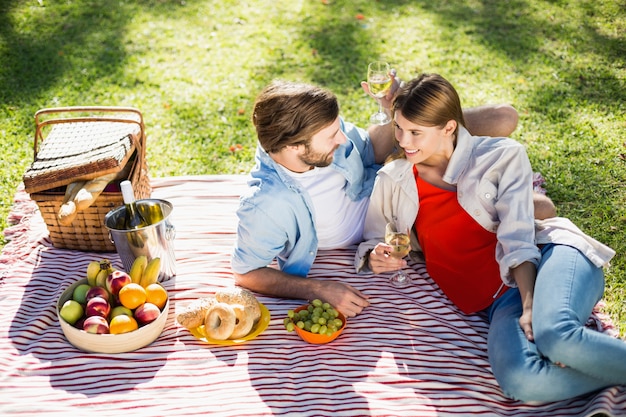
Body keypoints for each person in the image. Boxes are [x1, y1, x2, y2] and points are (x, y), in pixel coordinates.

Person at [355, 73, 624, 402]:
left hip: (548, 258)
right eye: (399, 128)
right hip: (496, 303)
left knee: (555, 337)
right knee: (521, 382)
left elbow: (519, 238)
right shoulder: (393, 178)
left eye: (415, 132)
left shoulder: (499, 156)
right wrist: (376, 256)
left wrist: (529, 307)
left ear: (449, 127)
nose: (403, 141)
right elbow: (374, 237)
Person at [231, 77, 520, 318]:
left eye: (337, 128)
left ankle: (435, 130)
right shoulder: (265, 205)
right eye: (332, 135)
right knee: (535, 209)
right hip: (402, 207)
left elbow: (372, 150)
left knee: (504, 117)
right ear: (294, 147)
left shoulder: (317, 132)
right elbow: (246, 274)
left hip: (395, 171)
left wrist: (391, 110)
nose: (342, 139)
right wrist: (318, 289)